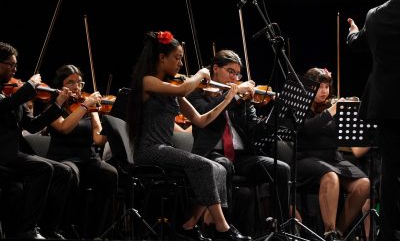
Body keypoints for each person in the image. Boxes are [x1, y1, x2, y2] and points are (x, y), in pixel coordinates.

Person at [126, 31, 251, 241]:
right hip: (149, 150)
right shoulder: (147, 81)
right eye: (177, 57)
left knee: (218, 167)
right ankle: (222, 228)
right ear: (161, 57)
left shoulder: (173, 88)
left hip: (165, 149)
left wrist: (228, 98)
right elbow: (185, 88)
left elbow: (201, 120)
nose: (181, 63)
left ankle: (188, 225)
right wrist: (201, 74)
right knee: (206, 165)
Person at [186, 49, 291, 232]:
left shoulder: (242, 99)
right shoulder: (198, 92)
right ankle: (224, 229)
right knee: (224, 164)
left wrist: (276, 117)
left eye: (237, 73)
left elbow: (254, 131)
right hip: (211, 153)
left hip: (242, 157)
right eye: (230, 71)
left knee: (281, 169)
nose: (234, 78)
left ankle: (280, 228)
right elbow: (205, 116)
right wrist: (232, 97)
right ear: (215, 68)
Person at [0, 41, 73, 239]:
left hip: (13, 154)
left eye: (16, 65)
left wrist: (57, 104)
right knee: (44, 168)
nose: (14, 69)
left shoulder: (12, 92)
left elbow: (32, 125)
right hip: (3, 155)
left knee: (64, 172)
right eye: (10, 64)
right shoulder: (12, 96)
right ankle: (26, 231)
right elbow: (4, 106)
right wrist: (29, 88)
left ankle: (47, 229)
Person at [347, 0, 400, 240]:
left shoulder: (376, 15)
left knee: (389, 170)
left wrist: (352, 31)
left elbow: (356, 43)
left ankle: (388, 232)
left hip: (387, 104)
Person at [295, 67, 370, 241]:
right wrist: (332, 111)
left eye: (327, 87)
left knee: (364, 184)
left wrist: (347, 113)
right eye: (320, 87)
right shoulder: (300, 106)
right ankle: (328, 231)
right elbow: (307, 129)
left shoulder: (330, 107)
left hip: (332, 159)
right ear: (309, 87)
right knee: (330, 176)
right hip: (306, 158)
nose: (324, 91)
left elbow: (346, 136)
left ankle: (338, 232)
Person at [45, 64, 118, 239]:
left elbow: (98, 139)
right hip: (64, 157)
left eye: (79, 82)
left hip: (89, 158)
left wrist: (111, 121)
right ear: (60, 85)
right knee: (71, 173)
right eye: (70, 82)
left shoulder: (89, 107)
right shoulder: (53, 106)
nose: (76, 86)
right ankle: (62, 228)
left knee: (111, 173)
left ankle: (99, 231)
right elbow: (64, 128)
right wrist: (85, 106)